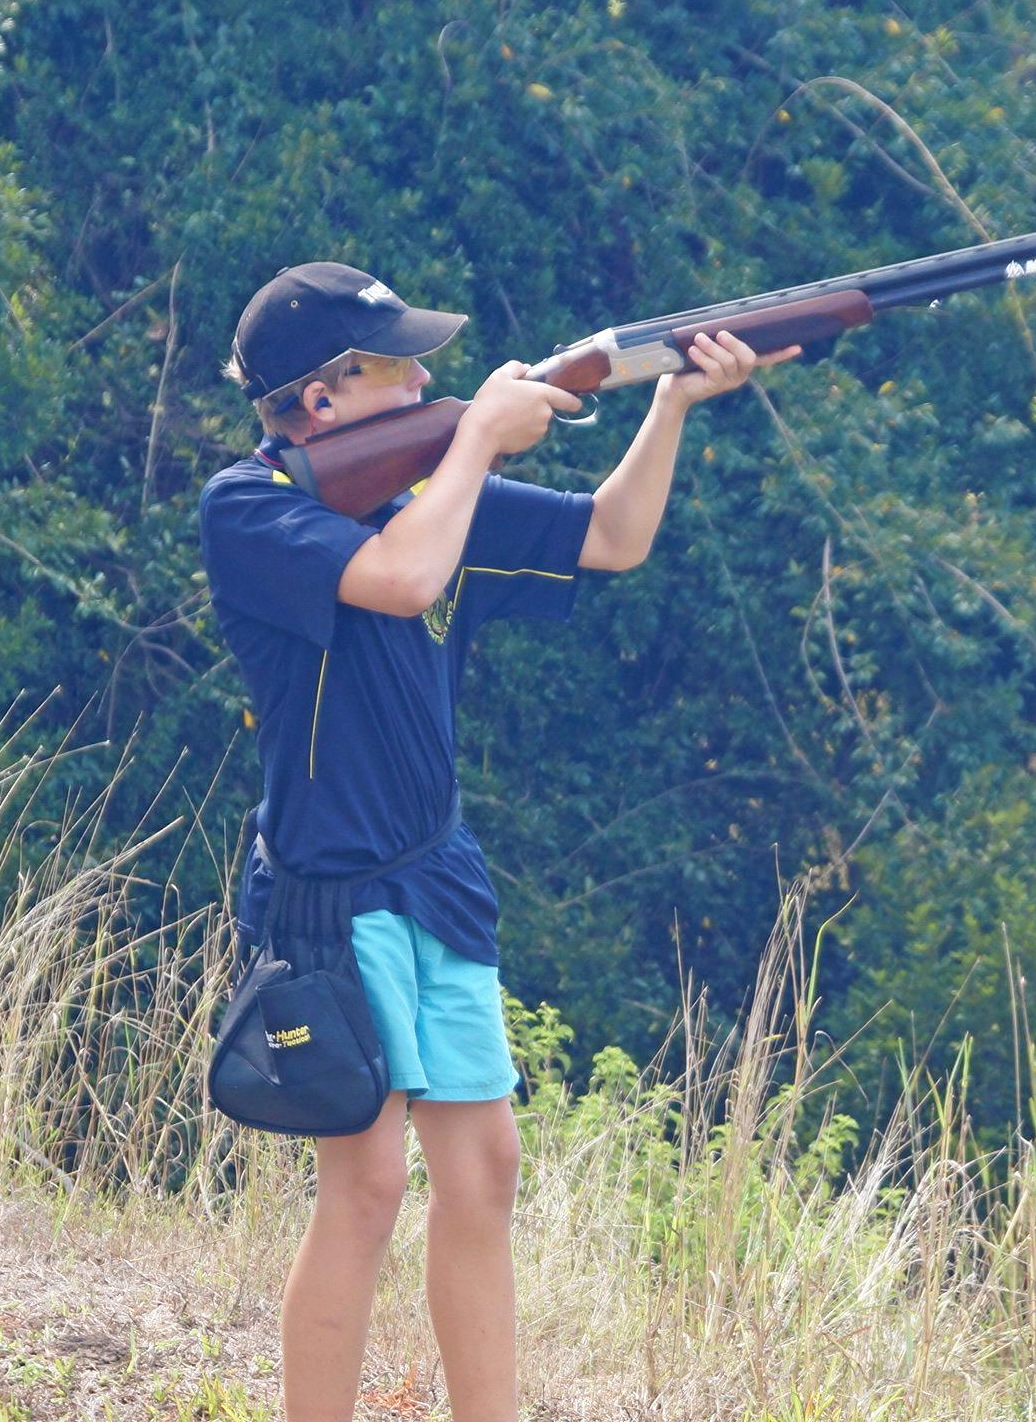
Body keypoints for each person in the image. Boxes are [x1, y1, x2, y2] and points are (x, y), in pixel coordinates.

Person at [198, 262, 797, 1422]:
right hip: (331, 896)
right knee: (366, 1186)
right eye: (400, 364)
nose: (430, 377)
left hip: (439, 877)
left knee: (485, 1171)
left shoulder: (429, 485)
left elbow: (615, 537)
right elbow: (401, 572)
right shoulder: (251, 505)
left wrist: (669, 399)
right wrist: (471, 444)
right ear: (322, 400)